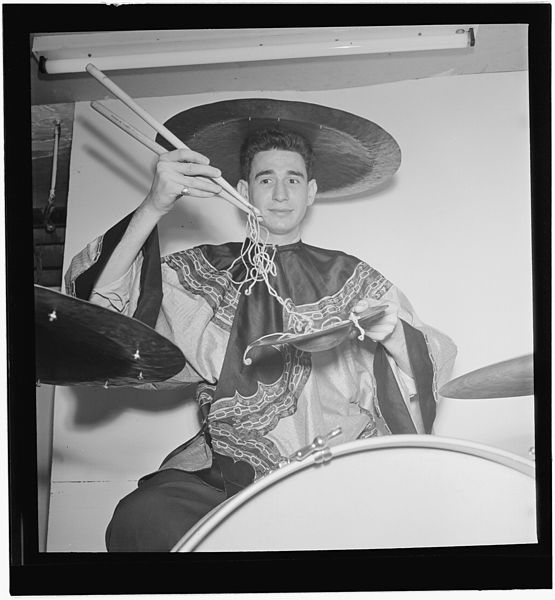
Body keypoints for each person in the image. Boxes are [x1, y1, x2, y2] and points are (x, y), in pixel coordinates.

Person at [66, 104, 457, 552]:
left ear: (311, 192)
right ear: (242, 190)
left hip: (332, 468)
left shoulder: (354, 278)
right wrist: (155, 204)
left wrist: (392, 337)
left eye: (293, 179)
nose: (280, 193)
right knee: (143, 518)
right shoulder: (203, 273)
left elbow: (432, 360)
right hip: (223, 476)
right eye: (265, 179)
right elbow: (103, 312)